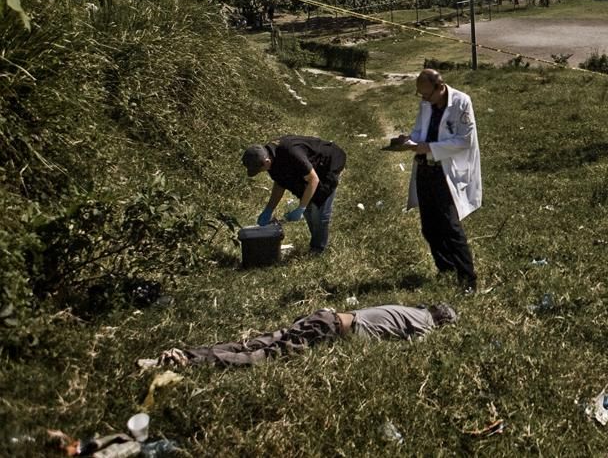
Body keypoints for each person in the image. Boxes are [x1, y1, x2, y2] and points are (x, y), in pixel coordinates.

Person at [137, 303, 457, 368]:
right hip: (329, 328)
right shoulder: (423, 326)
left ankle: (183, 354)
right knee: (258, 357)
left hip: (323, 318)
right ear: (439, 323)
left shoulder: (410, 311)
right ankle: (186, 362)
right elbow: (411, 351)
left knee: (257, 343)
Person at [389, 68, 482, 291]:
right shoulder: (427, 103)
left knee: (450, 226)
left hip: (446, 170)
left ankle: (468, 279)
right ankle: (445, 268)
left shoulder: (461, 102)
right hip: (425, 168)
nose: (423, 100)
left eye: (426, 95)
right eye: (420, 95)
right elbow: (420, 130)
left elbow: (465, 140)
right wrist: (409, 140)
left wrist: (428, 147)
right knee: (429, 227)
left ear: (440, 87)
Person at [242, 136, 346, 254]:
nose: (261, 172)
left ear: (267, 162)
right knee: (309, 208)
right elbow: (280, 183)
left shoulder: (291, 153)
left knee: (319, 211)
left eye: (259, 169)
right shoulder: (269, 157)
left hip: (327, 163)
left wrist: (301, 208)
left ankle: (318, 250)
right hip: (309, 169)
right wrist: (268, 209)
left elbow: (313, 180)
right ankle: (317, 242)